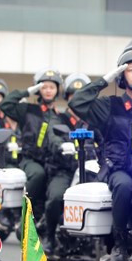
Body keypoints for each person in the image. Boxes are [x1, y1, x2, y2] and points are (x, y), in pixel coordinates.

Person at [69, 39, 132, 261]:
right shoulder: (110, 105)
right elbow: (78, 102)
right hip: (119, 169)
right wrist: (104, 80)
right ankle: (119, 242)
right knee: (124, 186)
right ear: (122, 75)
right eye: (130, 70)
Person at [40, 73, 97, 251]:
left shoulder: (95, 121)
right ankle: (49, 236)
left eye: (82, 97)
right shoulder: (59, 119)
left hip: (91, 170)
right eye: (74, 96)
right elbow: (52, 137)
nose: (79, 101)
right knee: (56, 197)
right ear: (68, 98)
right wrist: (62, 145)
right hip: (64, 170)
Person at [0, 69, 64, 216]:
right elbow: (6, 104)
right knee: (38, 174)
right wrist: (27, 92)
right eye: (44, 87)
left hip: (52, 161)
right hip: (30, 159)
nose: (48, 91)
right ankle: (22, 211)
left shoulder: (59, 115)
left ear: (57, 90)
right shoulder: (28, 109)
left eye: (52, 87)